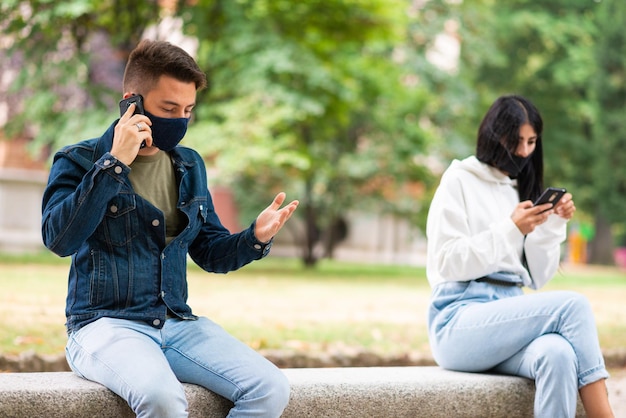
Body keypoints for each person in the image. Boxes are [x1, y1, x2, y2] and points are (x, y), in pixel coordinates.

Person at [41, 39, 299, 418]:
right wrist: (114, 164)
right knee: (163, 399)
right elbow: (59, 239)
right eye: (168, 108)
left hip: (177, 324)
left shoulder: (189, 165)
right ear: (132, 101)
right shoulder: (78, 161)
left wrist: (255, 238)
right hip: (103, 326)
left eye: (188, 110)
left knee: (269, 388)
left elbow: (210, 252)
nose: (180, 119)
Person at [425, 95, 614, 418]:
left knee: (557, 354)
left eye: (531, 142)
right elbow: (447, 262)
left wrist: (554, 223)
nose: (525, 152)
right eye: (517, 141)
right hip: (459, 320)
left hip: (508, 318)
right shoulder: (458, 180)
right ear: (494, 135)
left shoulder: (517, 190)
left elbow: (538, 277)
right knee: (574, 305)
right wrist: (510, 228)